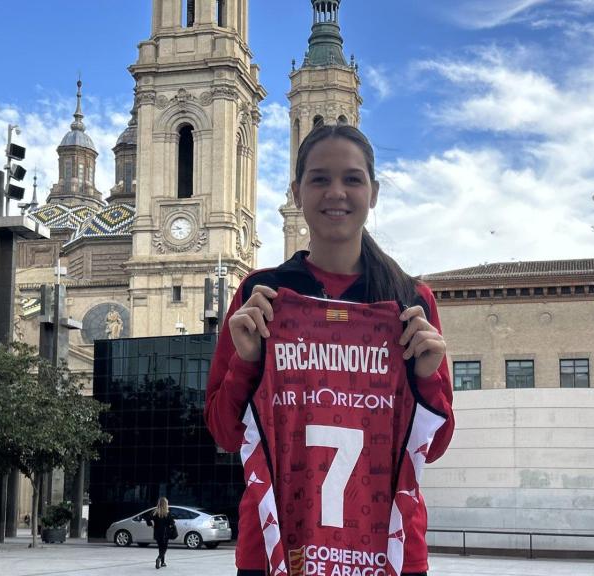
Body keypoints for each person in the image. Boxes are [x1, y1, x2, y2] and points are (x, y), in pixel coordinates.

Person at [204, 124, 455, 576]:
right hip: (275, 545)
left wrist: (425, 377)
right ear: (296, 191)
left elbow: (433, 447)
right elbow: (225, 434)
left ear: (373, 193)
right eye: (320, 179)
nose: (335, 192)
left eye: (352, 179)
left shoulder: (411, 301)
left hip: (389, 549)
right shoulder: (261, 296)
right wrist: (246, 362)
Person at [146, 497, 176, 569]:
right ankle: (159, 558)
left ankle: (162, 562)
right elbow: (171, 523)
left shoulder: (155, 512)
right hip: (165, 533)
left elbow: (147, 519)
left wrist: (151, 524)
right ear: (166, 504)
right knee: (164, 548)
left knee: (160, 547)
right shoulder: (167, 513)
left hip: (157, 532)